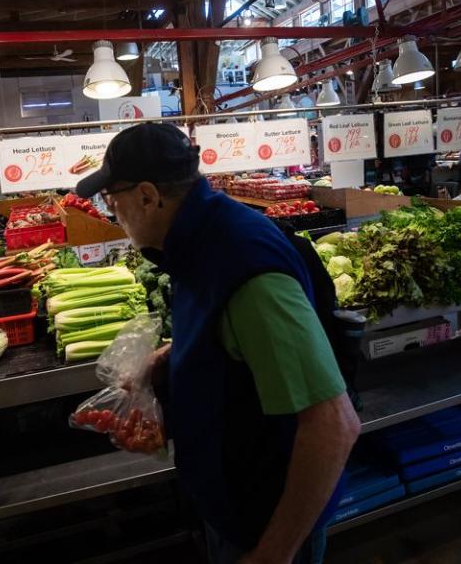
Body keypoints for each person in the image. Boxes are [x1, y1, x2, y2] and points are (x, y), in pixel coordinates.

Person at [77, 123, 360, 564]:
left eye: (113, 201)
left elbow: (333, 425)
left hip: (267, 520)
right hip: (232, 501)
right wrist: (168, 359)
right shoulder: (198, 242)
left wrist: (273, 553)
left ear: (148, 197)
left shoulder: (245, 267)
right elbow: (232, 336)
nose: (113, 214)